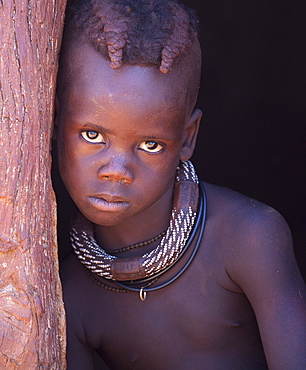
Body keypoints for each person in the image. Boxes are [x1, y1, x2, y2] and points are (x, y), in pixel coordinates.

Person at [55, 0, 306, 369]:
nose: (117, 170)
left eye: (150, 145)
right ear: (55, 122)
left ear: (187, 138)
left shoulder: (249, 237)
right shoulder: (67, 296)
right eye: (92, 135)